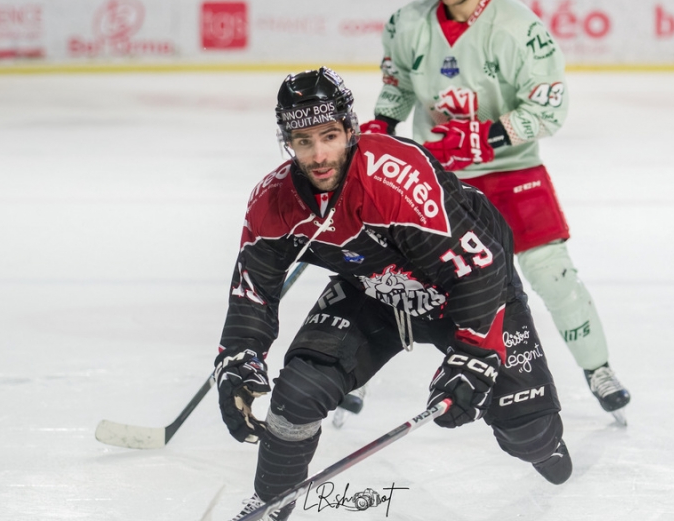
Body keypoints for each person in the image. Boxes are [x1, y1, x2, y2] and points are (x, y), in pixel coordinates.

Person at [215, 67, 572, 521]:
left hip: (466, 291)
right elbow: (252, 290)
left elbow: (480, 267)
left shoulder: (394, 178)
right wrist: (240, 356)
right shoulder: (273, 201)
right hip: (375, 290)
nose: (319, 155)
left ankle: (543, 445)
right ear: (288, 142)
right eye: (304, 141)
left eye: (329, 136)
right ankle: (271, 501)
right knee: (299, 392)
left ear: (350, 130)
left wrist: (474, 353)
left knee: (530, 432)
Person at [358, 0, 631, 421]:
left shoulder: (519, 28)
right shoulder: (406, 23)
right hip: (439, 175)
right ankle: (358, 374)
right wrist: (383, 127)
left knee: (552, 273)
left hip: (512, 170)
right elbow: (399, 84)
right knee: (400, 277)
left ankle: (598, 368)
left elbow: (549, 110)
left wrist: (486, 136)